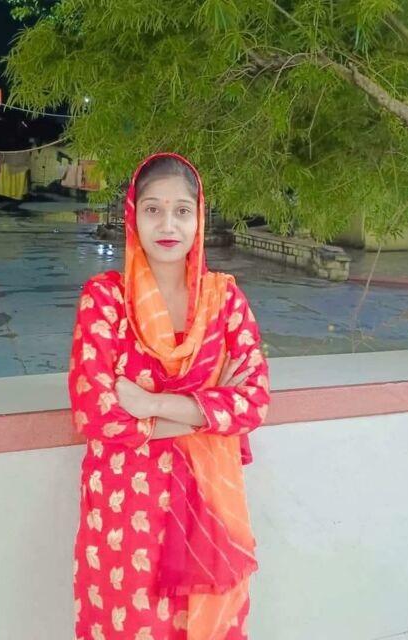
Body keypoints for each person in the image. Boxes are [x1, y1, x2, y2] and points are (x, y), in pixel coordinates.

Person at [68, 152, 270, 640]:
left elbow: (254, 403)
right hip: (126, 511)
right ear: (132, 216)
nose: (167, 224)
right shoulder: (105, 300)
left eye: (182, 210)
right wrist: (209, 407)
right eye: (153, 209)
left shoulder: (224, 301)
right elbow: (96, 415)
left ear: (199, 219)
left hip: (207, 512)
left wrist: (153, 405)